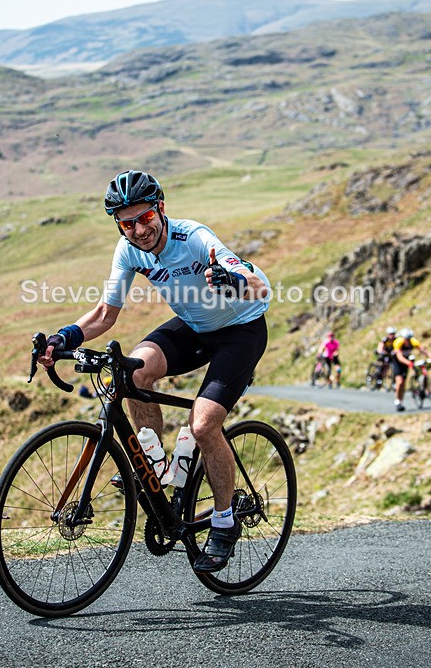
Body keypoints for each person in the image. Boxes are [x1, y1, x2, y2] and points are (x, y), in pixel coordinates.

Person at [38, 169, 270, 573]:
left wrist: (234, 280)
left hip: (241, 331)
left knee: (203, 425)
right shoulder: (128, 249)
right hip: (195, 327)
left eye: (144, 218)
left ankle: (223, 521)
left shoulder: (194, 237)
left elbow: (257, 286)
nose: (138, 230)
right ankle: (158, 468)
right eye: (126, 223)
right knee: (129, 375)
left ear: (160, 208)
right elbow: (105, 313)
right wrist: (64, 338)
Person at [392, 328, 431, 411]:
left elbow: (423, 350)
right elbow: (400, 357)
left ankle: (423, 388)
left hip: (407, 360)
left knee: (405, 382)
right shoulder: (398, 342)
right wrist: (409, 363)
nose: (408, 341)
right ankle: (397, 401)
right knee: (400, 382)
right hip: (398, 362)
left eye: (409, 339)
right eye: (406, 339)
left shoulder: (413, 341)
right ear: (403, 338)